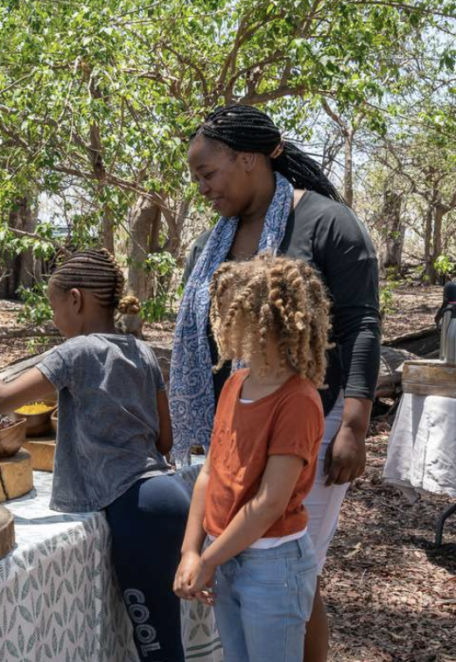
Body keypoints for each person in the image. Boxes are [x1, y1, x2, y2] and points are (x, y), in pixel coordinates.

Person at [169, 104, 381, 660]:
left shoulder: (327, 222)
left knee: (291, 561)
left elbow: (361, 322)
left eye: (208, 174)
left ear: (248, 159)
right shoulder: (215, 239)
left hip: (313, 414)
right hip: (238, 418)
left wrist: (354, 425)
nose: (203, 189)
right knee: (249, 559)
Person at [0, 249, 189, 662]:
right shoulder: (143, 351)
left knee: (156, 648)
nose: (54, 319)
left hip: (138, 511)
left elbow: (0, 399)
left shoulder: (77, 352)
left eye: (54, 307)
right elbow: (165, 441)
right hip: (166, 496)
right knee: (164, 636)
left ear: (76, 300)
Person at [174, 255, 331, 662]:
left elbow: (268, 504)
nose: (220, 323)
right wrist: (192, 550)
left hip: (274, 567)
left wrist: (207, 559)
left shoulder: (297, 400)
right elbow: (210, 470)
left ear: (264, 321)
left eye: (229, 313)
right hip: (227, 556)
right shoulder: (235, 383)